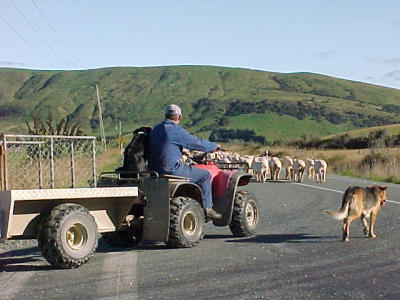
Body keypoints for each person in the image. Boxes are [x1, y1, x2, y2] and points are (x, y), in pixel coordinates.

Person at [148, 104, 221, 220]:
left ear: (165, 115)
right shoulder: (175, 130)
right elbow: (196, 142)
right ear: (179, 117)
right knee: (205, 175)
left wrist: (181, 151)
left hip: (152, 170)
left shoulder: (156, 129)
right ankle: (208, 209)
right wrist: (214, 146)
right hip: (171, 170)